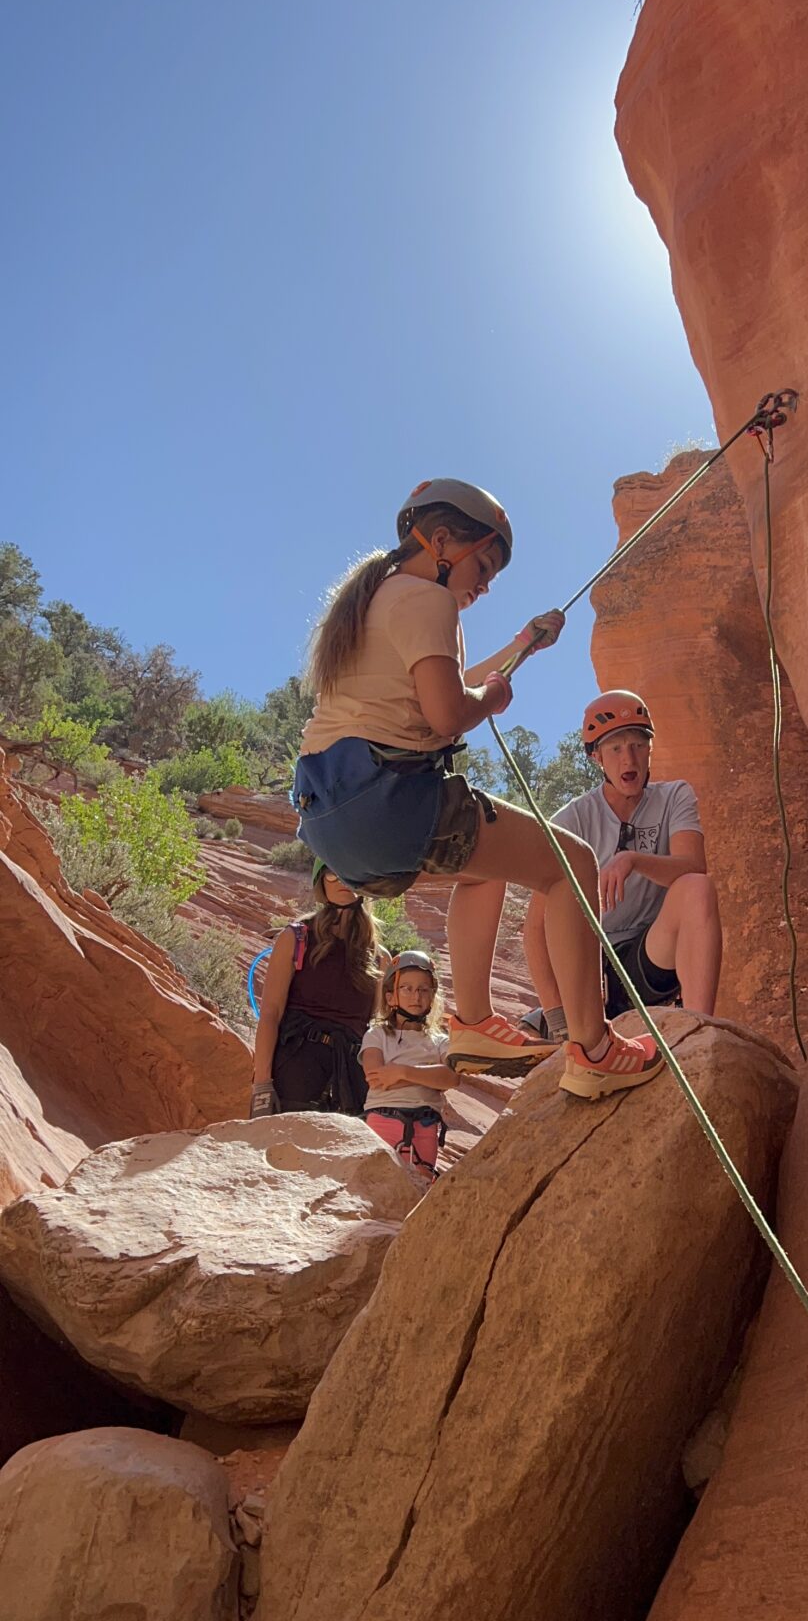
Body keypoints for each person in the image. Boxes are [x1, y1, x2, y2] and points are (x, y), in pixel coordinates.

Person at [291, 479, 663, 1102]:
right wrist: (490, 700)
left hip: (332, 816)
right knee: (573, 864)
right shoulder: (426, 601)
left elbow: (440, 682)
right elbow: (448, 712)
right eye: (483, 564)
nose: (485, 583)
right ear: (441, 542)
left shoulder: (374, 600)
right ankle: (595, 1050)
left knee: (480, 868)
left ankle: (469, 1023)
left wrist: (522, 647)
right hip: (388, 802)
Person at [523, 691, 722, 1034]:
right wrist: (559, 1021)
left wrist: (633, 860)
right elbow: (536, 927)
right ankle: (553, 1021)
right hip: (590, 968)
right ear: (597, 757)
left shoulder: (674, 796)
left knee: (697, 887)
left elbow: (693, 865)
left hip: (649, 956)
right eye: (615, 748)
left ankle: (698, 1031)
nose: (628, 758)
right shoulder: (572, 821)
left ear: (650, 750)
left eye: (638, 745)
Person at [249, 859, 385, 1117]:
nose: (343, 881)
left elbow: (374, 1028)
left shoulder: (378, 956)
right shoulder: (297, 937)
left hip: (350, 1081)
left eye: (351, 872)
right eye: (333, 874)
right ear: (320, 881)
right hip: (296, 1068)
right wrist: (262, 1085)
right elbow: (270, 1013)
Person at [361, 948, 456, 1183]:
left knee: (419, 1188)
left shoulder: (440, 1041)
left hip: (424, 1125)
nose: (416, 997)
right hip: (384, 1121)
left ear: (433, 997)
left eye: (424, 990)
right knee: (380, 1188)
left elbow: (452, 1078)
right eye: (407, 988)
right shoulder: (377, 1035)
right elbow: (376, 1078)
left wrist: (401, 1072)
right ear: (391, 996)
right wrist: (427, 1078)